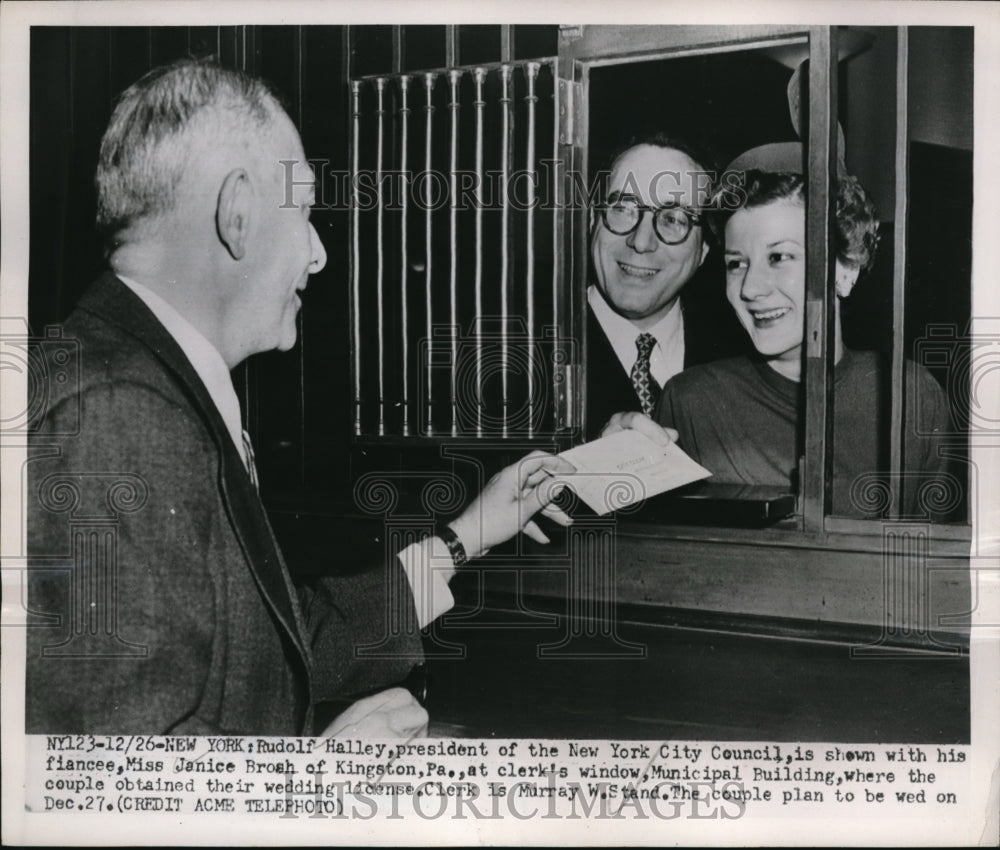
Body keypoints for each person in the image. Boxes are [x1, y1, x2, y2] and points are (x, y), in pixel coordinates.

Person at [25, 59, 573, 736]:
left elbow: (279, 649)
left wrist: (469, 536)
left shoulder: (139, 385)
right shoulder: (117, 413)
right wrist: (320, 776)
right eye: (306, 212)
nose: (318, 254)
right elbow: (116, 773)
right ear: (238, 214)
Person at [648, 148, 953, 518]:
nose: (750, 288)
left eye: (779, 257)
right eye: (736, 263)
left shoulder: (911, 396)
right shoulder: (693, 403)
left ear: (845, 269)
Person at [585, 134, 747, 438]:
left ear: (704, 248)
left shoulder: (745, 352)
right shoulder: (516, 351)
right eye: (623, 208)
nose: (641, 241)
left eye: (673, 219)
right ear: (593, 219)